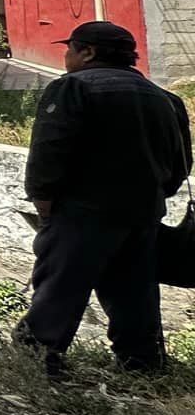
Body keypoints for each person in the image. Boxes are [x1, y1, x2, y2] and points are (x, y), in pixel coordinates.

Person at [13, 21, 192, 375]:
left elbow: (49, 150)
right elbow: (180, 161)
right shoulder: (165, 98)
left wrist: (43, 201)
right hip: (142, 215)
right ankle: (143, 364)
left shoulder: (72, 89)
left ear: (88, 52)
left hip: (81, 212)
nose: (66, 56)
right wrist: (155, 195)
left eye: (70, 49)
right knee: (134, 292)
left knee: (61, 288)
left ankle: (38, 358)